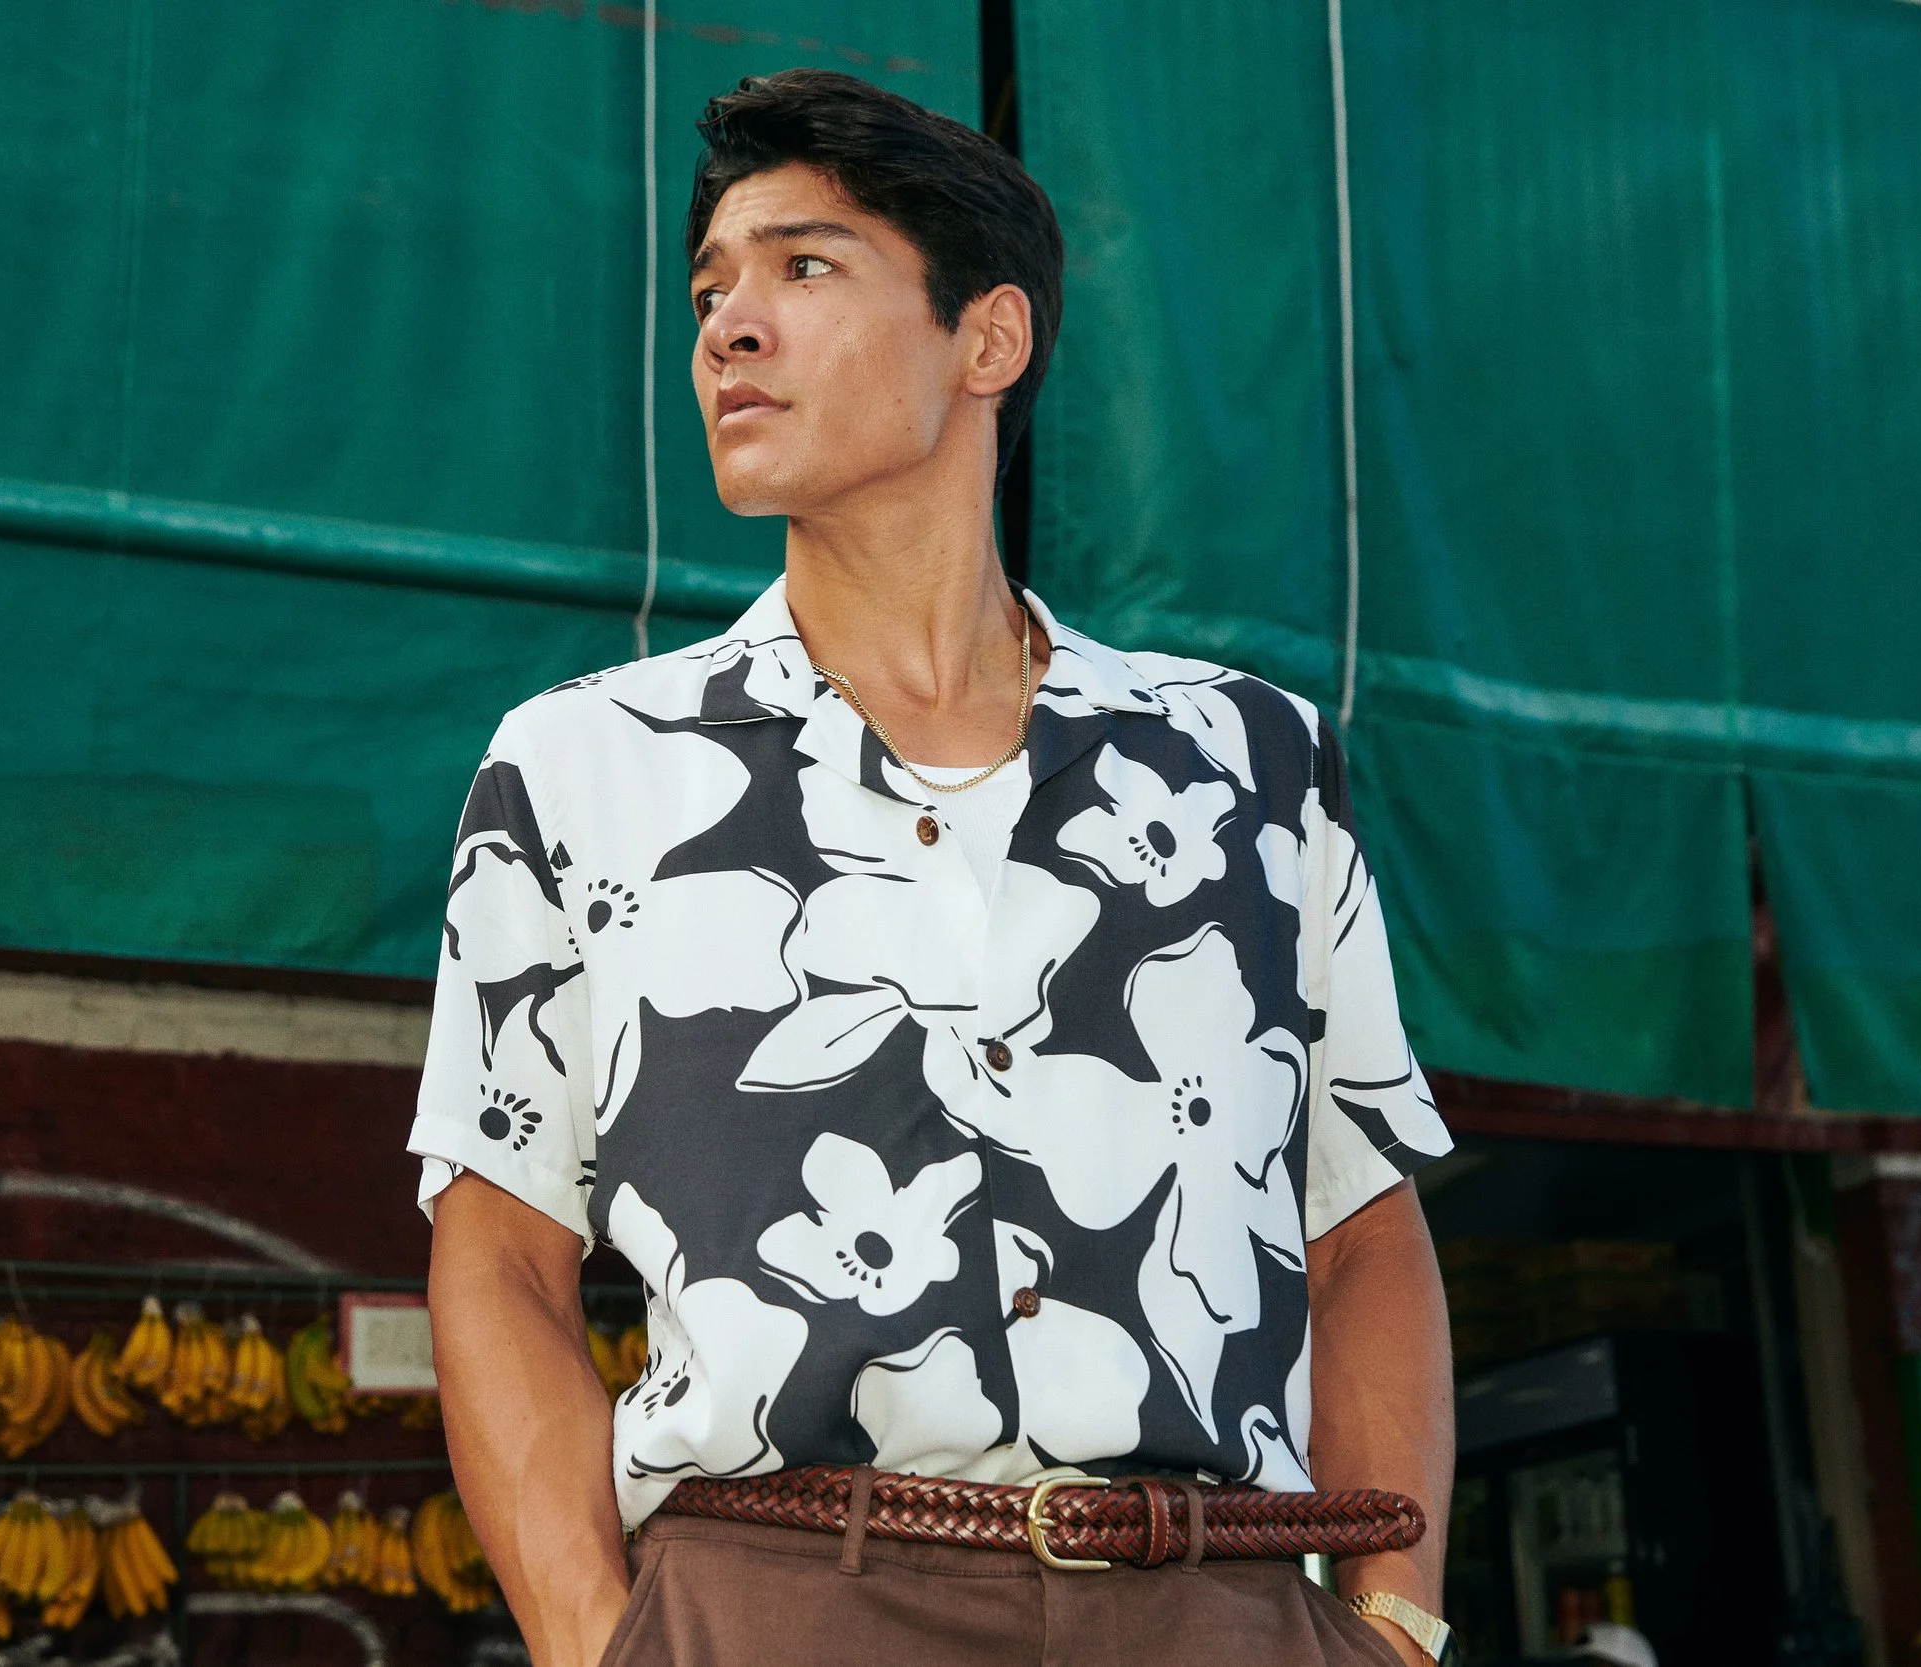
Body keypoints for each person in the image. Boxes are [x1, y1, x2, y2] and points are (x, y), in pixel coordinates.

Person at [410, 68, 1458, 1667]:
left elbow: (1363, 1224)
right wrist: (590, 1641)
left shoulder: (1248, 763)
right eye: (710, 289)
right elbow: (499, 1254)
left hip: (1221, 1605)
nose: (728, 326)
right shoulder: (577, 769)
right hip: (772, 1607)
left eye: (803, 266)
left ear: (989, 339)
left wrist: (1393, 1623)